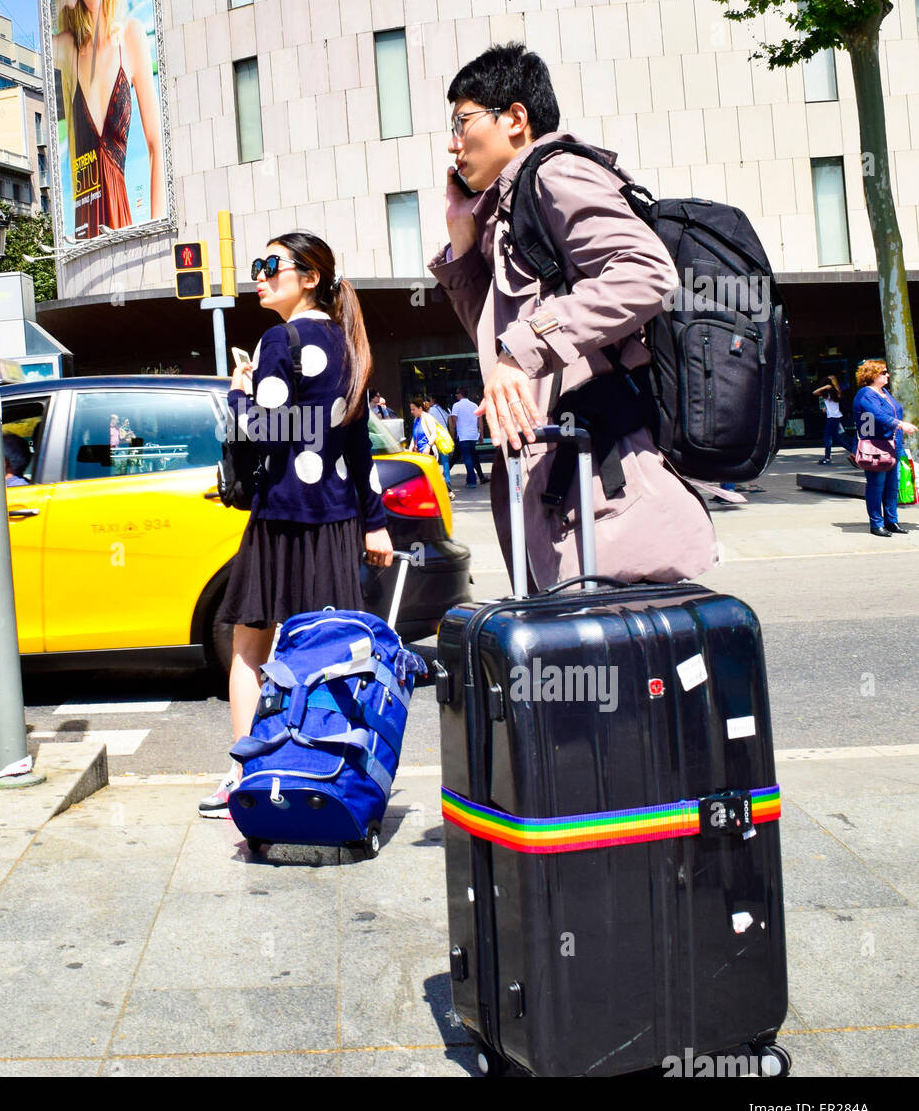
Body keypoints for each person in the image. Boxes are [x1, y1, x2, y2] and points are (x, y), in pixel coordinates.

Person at [429, 42, 717, 589]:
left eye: (462, 121)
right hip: (559, 487)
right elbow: (494, 342)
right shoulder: (513, 207)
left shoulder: (554, 173)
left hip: (601, 487)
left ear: (515, 118)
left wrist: (524, 348)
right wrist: (463, 245)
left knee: (615, 662)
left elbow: (647, 272)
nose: (453, 142)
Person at [204, 232, 395, 818]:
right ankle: (329, 771)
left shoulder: (277, 340)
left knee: (250, 646)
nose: (258, 275)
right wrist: (375, 522)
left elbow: (264, 429)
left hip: (281, 517)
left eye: (270, 266)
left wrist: (236, 395)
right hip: (336, 520)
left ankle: (246, 775)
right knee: (328, 650)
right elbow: (358, 443)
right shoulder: (346, 343)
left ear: (308, 276)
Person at [52, 0, 163, 240]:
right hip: (84, 225)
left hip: (125, 218)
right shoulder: (69, 48)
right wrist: (60, 2)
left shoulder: (130, 35)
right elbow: (43, 53)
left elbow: (157, 143)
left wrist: (154, 229)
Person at [852, 359, 916, 537]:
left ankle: (892, 521)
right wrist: (901, 425)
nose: (887, 375)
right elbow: (877, 415)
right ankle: (876, 523)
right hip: (876, 447)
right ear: (872, 374)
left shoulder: (884, 392)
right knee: (876, 485)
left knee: (892, 486)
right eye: (883, 372)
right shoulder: (865, 394)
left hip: (893, 446)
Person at [813, 375, 855, 464]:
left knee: (827, 437)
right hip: (835, 417)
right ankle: (853, 451)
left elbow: (814, 392)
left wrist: (825, 387)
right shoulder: (836, 393)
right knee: (837, 438)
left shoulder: (828, 393)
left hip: (832, 418)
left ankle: (827, 458)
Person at [450, 388, 484, 487]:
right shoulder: (474, 405)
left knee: (467, 458)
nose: (456, 395)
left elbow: (453, 422)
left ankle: (472, 481)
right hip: (473, 435)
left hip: (463, 435)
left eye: (457, 394)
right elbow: (480, 421)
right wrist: (481, 434)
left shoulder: (456, 406)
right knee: (472, 456)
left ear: (460, 394)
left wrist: (453, 435)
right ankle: (470, 479)